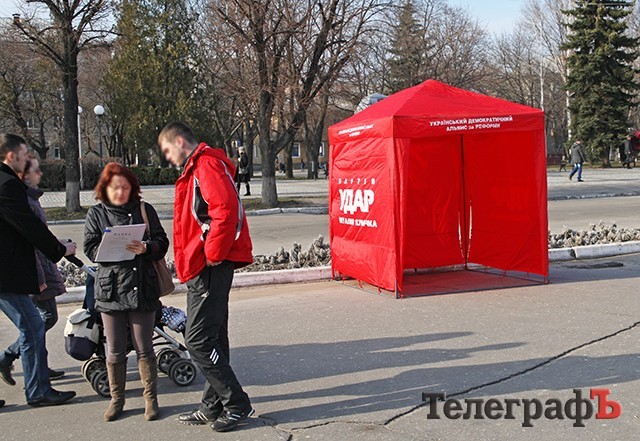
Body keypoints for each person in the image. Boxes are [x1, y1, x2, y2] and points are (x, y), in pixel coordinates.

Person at [158, 122, 254, 433]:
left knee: (198, 339)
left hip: (210, 265)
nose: (167, 157)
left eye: (167, 150)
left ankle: (236, 403)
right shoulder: (198, 167)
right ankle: (213, 405)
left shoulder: (206, 165)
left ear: (179, 141)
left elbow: (225, 210)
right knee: (213, 337)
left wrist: (213, 252)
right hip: (205, 265)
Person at [83, 162, 169, 422]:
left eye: (125, 187)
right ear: (104, 189)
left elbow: (162, 241)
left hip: (142, 287)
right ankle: (117, 399)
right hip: (111, 290)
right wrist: (107, 246)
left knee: (145, 348)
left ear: (132, 188)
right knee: (115, 349)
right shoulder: (96, 213)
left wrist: (146, 248)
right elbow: (90, 248)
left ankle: (150, 399)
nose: (120, 192)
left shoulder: (144, 209)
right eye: (114, 188)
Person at [0, 133, 77, 406]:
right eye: (24, 154)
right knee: (33, 325)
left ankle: (37, 387)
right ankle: (38, 391)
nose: (27, 160)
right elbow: (29, 227)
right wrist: (58, 250)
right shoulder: (7, 185)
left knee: (33, 324)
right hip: (6, 274)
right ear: (12, 156)